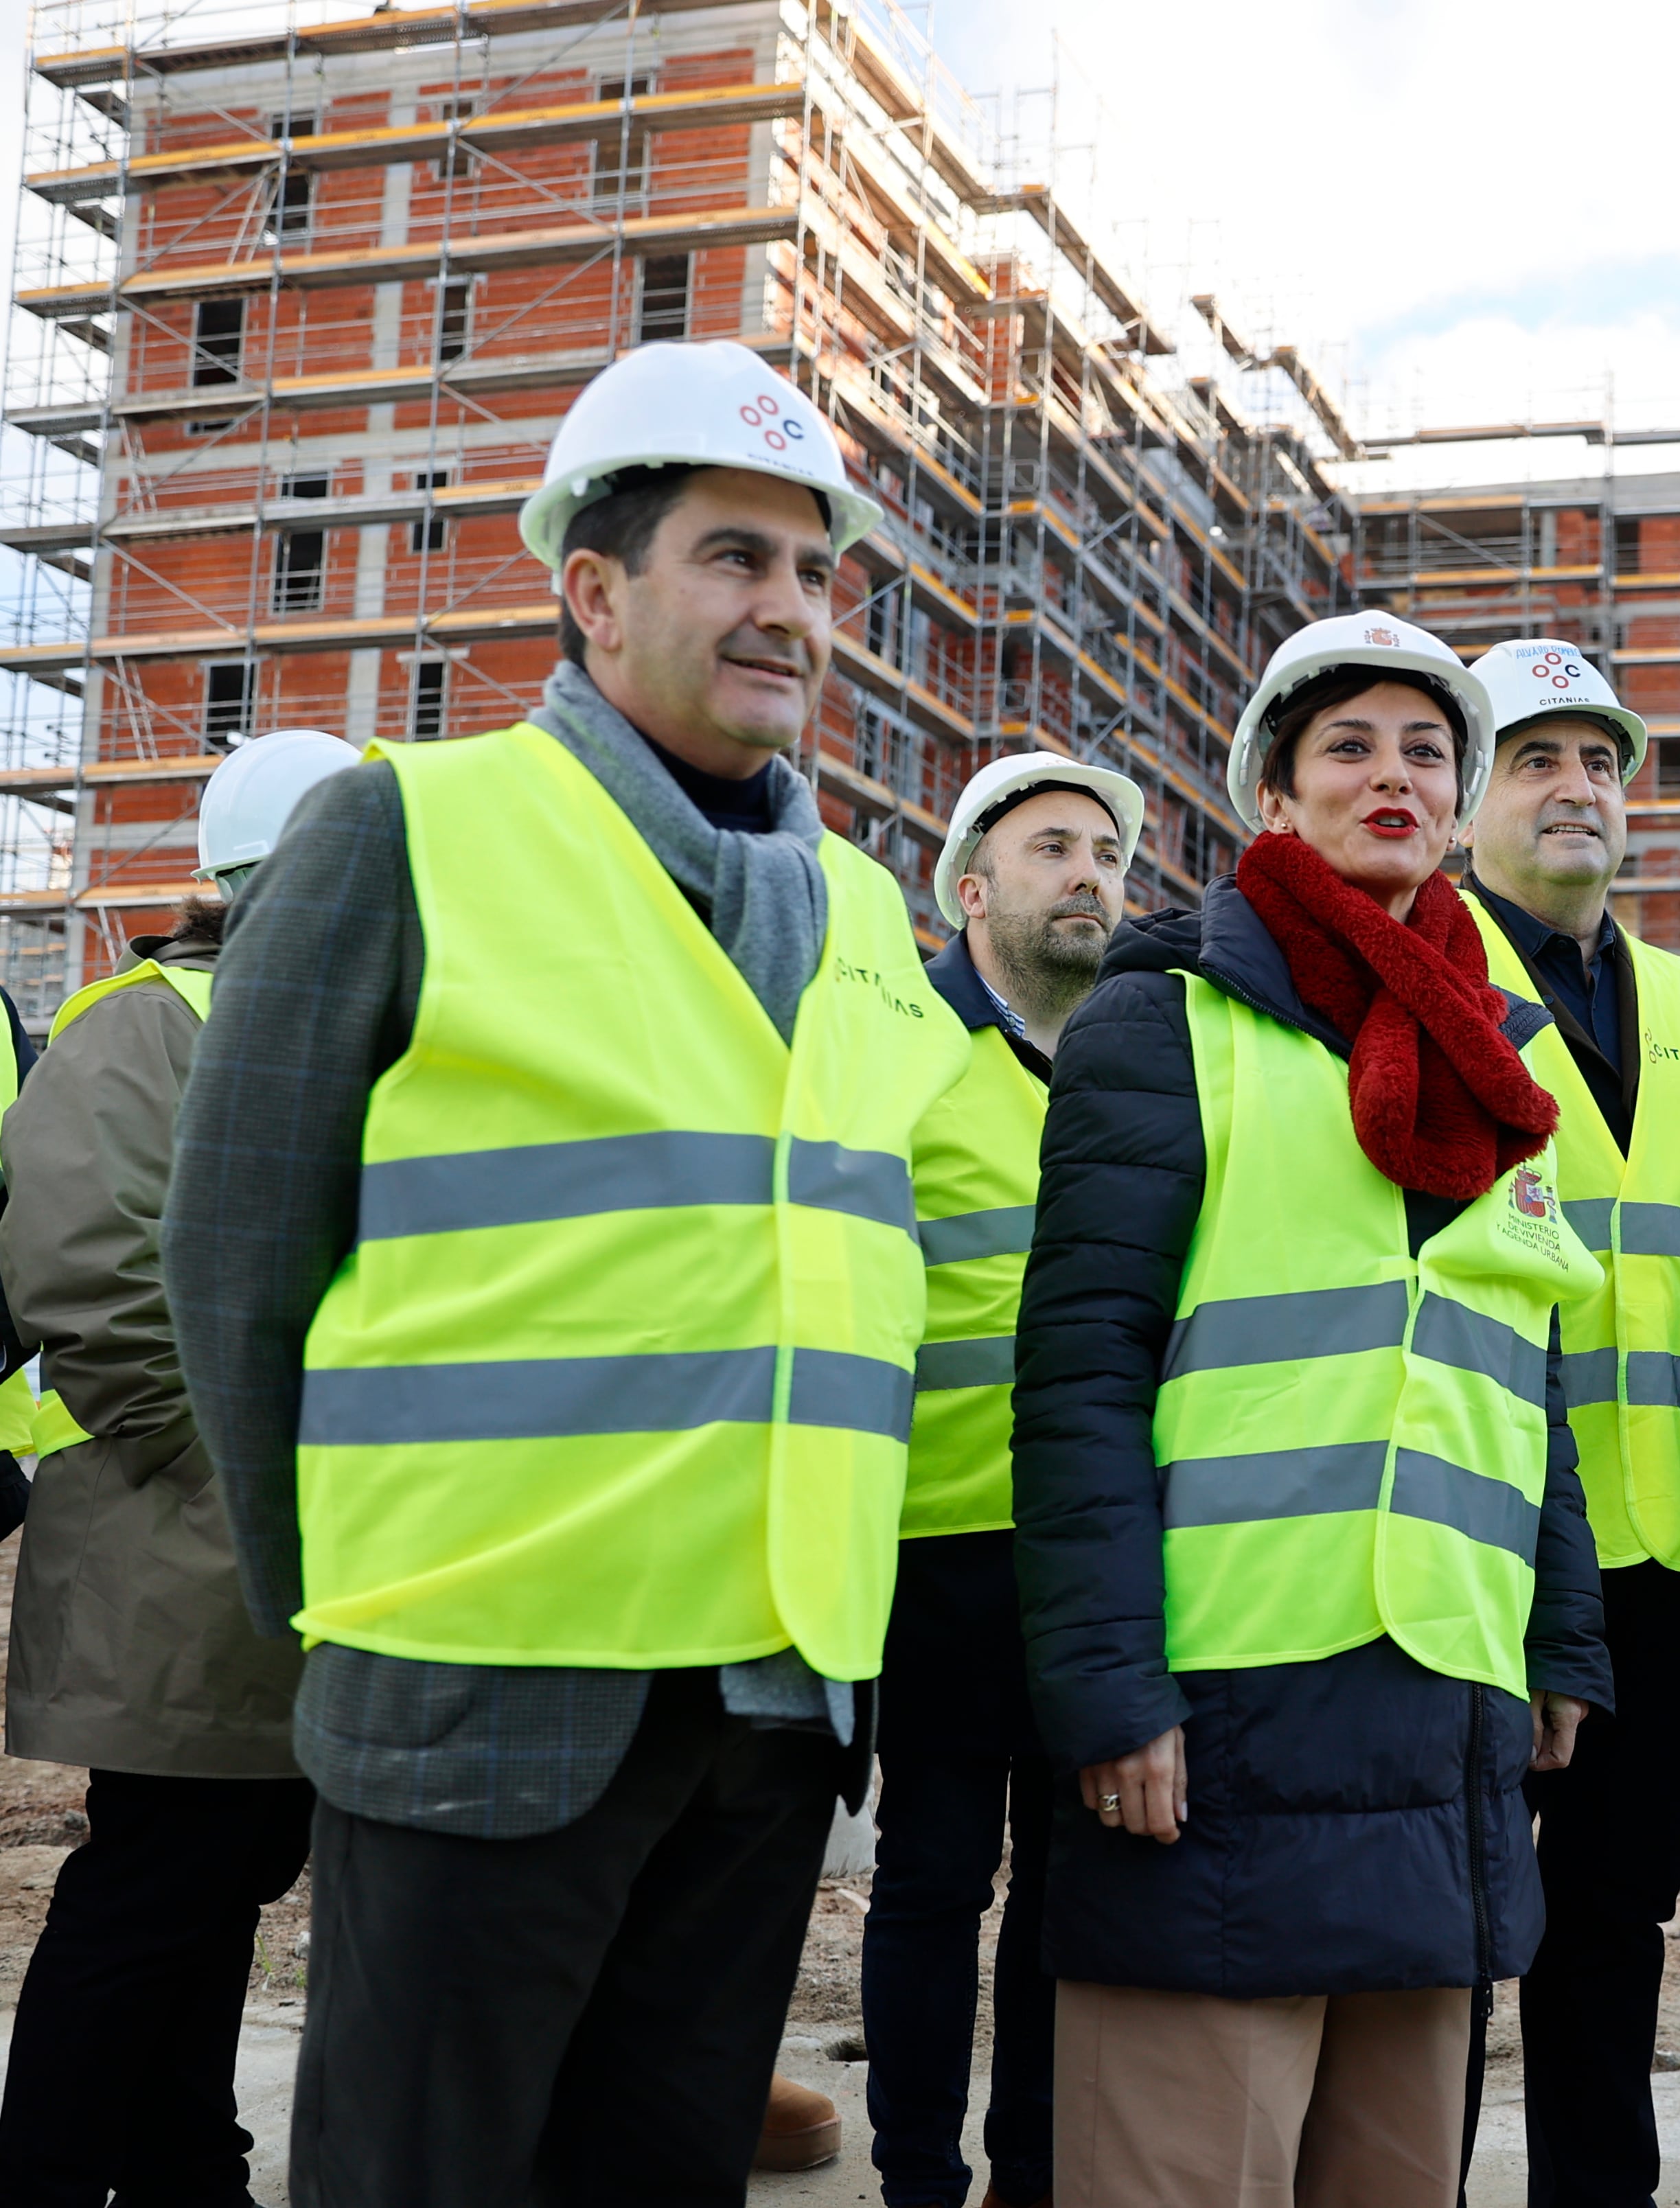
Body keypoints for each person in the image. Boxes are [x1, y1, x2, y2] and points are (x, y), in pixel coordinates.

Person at [162, 338, 966, 2205]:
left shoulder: (856, 900)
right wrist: (349, 1603)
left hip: (770, 1706)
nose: (790, 610)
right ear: (594, 593)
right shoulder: (406, 827)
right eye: (735, 559)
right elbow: (235, 1259)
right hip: (475, 1687)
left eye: (814, 570)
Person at [1011, 610, 1615, 2207]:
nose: (1394, 776)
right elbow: (1080, 1375)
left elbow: (1516, 1372)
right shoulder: (1165, 1015)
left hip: (1443, 1695)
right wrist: (1109, 1691)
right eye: (1348, 745)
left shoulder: (1503, 1059)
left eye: (1429, 749)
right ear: (1275, 792)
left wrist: (1561, 1632)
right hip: (1219, 1712)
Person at [0, 731, 352, 2207]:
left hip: (279, 1542)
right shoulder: (146, 1022)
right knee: (153, 1889)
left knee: (217, 1888)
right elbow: (85, 1268)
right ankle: (52, 2174)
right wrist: (218, 1469)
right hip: (187, 1542)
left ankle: (183, 2159)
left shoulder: (326, 1022)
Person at [1458, 641, 1680, 2208]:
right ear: (1466, 801)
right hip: (1480, 1535)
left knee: (1618, 1918)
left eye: (1603, 763)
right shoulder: (1425, 978)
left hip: (1667, 1545)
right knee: (1438, 1921)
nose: (1580, 789)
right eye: (1537, 758)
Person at [871, 752, 1142, 2208]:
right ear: (972, 889)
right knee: (931, 1882)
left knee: (1064, 1890)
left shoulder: (1141, 1052)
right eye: (1053, 848)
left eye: (1106, 850)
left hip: (1092, 1548)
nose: (1090, 872)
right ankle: (917, 2175)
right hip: (938, 1551)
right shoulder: (900, 1043)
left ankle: (1034, 2174)